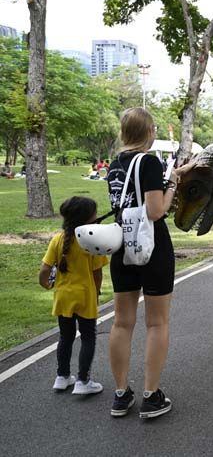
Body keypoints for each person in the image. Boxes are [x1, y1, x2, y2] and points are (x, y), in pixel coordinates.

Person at [106, 107, 177, 419]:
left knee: (122, 322)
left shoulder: (114, 164)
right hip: (152, 245)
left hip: (121, 244)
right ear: (149, 131)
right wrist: (171, 185)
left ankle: (121, 393)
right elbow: (155, 211)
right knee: (157, 322)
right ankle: (151, 395)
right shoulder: (149, 162)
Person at [39, 196, 108, 395]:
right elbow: (97, 273)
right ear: (87, 218)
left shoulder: (58, 239)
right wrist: (96, 292)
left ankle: (62, 376)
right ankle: (83, 380)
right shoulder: (92, 241)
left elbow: (45, 269)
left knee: (66, 336)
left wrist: (45, 284)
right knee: (88, 337)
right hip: (85, 296)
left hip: (63, 297)